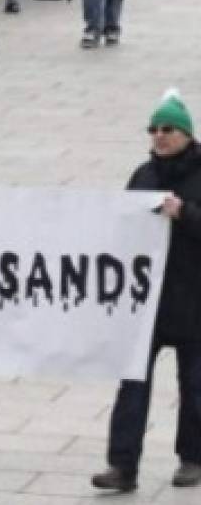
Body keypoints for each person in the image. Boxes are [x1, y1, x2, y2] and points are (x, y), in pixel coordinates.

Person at [92, 92, 201, 493]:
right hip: (146, 302)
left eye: (167, 129)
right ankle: (122, 467)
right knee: (132, 384)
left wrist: (184, 213)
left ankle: (193, 457)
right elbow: (119, 228)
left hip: (193, 299)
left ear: (186, 134)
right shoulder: (144, 175)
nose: (159, 135)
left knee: (195, 386)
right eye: (153, 130)